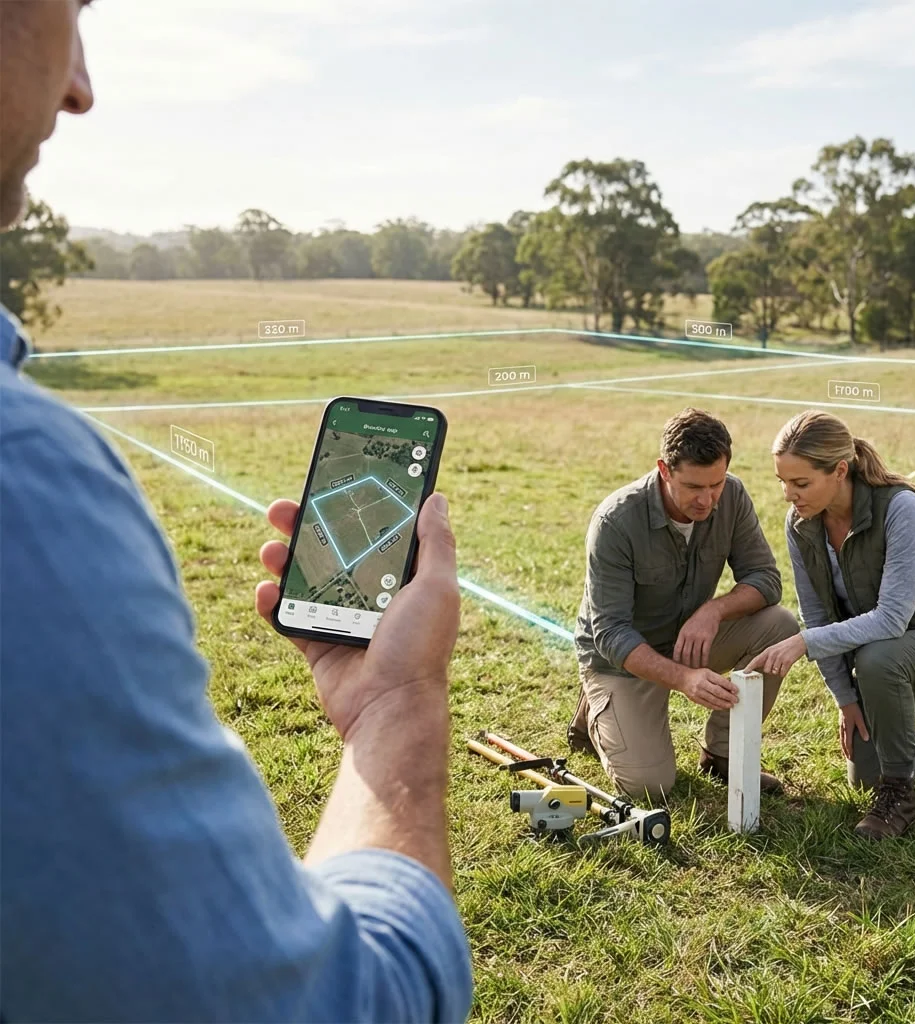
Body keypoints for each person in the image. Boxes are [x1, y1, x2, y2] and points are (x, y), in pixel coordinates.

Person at [0, 3, 472, 1020]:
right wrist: (398, 708)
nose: (79, 83)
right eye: (64, 10)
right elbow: (332, 1006)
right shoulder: (24, 490)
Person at [748, 411, 915, 840]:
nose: (788, 495)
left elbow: (892, 617)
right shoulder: (801, 525)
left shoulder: (901, 507)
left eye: (800, 483)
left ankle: (900, 797)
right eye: (782, 481)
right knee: (864, 776)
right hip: (881, 654)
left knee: (878, 660)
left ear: (840, 470)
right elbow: (818, 615)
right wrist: (846, 699)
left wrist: (804, 643)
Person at [569, 408, 800, 800]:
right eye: (694, 486)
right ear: (664, 469)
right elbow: (609, 633)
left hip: (687, 641)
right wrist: (684, 679)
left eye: (717, 483)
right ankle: (595, 711)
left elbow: (766, 579)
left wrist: (713, 611)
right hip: (622, 662)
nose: (707, 499)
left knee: (779, 626)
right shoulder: (615, 521)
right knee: (649, 787)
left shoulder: (733, 496)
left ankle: (723, 754)